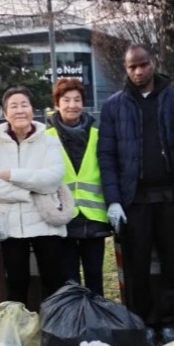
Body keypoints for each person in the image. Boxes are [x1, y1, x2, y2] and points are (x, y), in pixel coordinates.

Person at [98, 44, 174, 345]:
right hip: (133, 199)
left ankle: (170, 321)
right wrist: (113, 200)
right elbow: (107, 156)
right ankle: (143, 322)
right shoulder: (113, 106)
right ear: (125, 70)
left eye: (143, 65)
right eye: (131, 67)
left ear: (154, 62)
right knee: (136, 266)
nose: (138, 72)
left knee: (171, 262)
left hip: (169, 196)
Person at [0, 87, 68, 307]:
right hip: (11, 227)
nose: (20, 110)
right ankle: (18, 333)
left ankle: (56, 332)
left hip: (46, 223)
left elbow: (53, 178)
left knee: (54, 282)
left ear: (33, 110)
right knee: (17, 284)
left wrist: (11, 175)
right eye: (14, 106)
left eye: (24, 105)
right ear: (5, 112)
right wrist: (28, 192)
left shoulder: (50, 142)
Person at [47, 78, 112, 296]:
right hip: (62, 219)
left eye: (77, 100)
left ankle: (98, 322)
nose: (72, 105)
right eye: (66, 100)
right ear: (57, 104)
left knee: (95, 278)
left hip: (93, 219)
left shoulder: (97, 134)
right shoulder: (47, 138)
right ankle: (74, 325)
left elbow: (107, 171)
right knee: (70, 281)